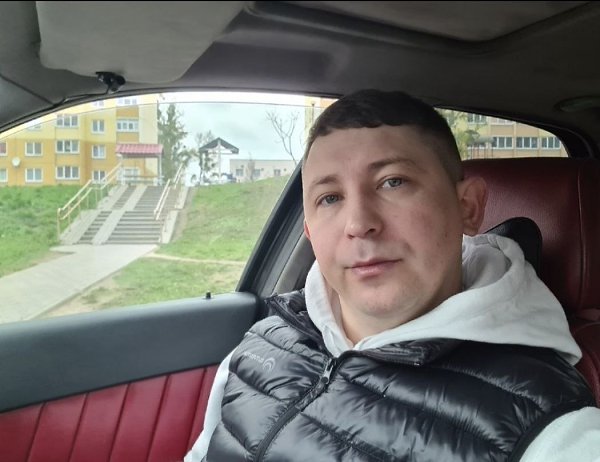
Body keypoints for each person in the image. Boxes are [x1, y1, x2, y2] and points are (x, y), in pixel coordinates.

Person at [185, 90, 600, 461]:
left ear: (468, 208)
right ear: (310, 232)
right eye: (330, 198)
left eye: (393, 182)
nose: (358, 223)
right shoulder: (260, 346)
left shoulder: (552, 433)